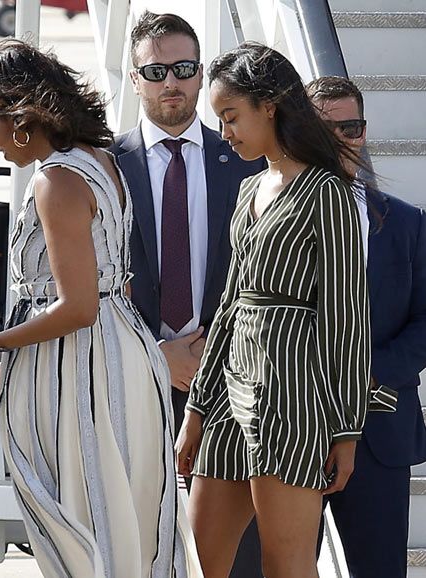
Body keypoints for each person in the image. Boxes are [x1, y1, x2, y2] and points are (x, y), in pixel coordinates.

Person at [0, 39, 203, 578]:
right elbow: (100, 292)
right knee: (122, 521)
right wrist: (8, 364)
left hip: (79, 368)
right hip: (117, 354)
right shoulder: (101, 161)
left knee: (80, 525)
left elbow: (76, 307)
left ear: (21, 117)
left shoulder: (55, 179)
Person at [175, 42, 371, 578]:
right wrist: (195, 412)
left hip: (294, 402)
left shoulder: (327, 192)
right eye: (220, 120)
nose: (226, 132)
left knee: (286, 567)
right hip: (226, 399)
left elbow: (346, 316)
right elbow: (229, 306)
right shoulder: (247, 189)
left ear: (271, 106)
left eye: (231, 116)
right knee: (196, 559)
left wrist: (346, 430)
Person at [109, 12, 265, 577]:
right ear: (134, 78)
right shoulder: (105, 166)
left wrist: (212, 357)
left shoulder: (247, 160)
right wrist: (157, 352)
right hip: (132, 382)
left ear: (201, 75)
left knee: (235, 556)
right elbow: (89, 280)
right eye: (155, 71)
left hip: (233, 385)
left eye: (183, 68)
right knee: (140, 543)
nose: (170, 82)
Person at [307, 75, 426, 578]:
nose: (341, 140)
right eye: (324, 128)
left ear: (363, 133)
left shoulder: (406, 221)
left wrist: (367, 375)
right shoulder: (267, 212)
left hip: (381, 430)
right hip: (292, 430)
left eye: (351, 128)